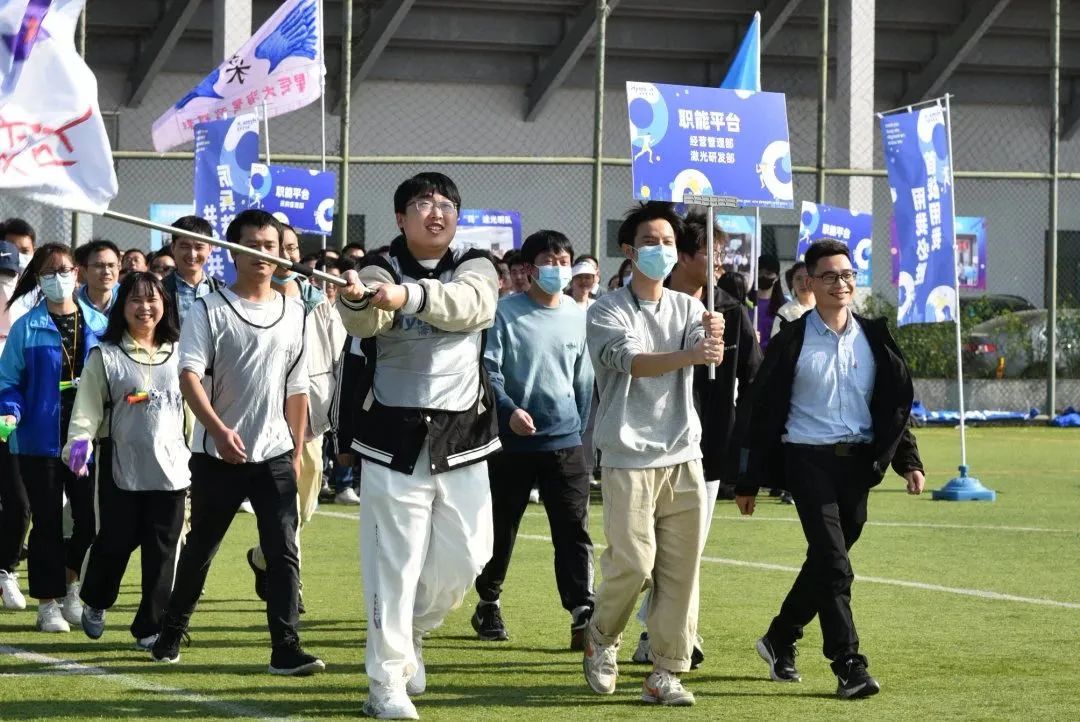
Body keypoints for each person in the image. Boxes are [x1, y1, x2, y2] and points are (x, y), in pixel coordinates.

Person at [337, 172, 500, 720]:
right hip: (394, 437)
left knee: (469, 558)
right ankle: (384, 683)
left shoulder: (476, 264)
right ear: (400, 218)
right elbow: (365, 322)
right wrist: (358, 301)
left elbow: (473, 305)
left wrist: (408, 295)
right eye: (423, 204)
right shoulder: (377, 267)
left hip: (464, 437)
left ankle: (411, 632)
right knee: (394, 565)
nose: (436, 212)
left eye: (446, 204)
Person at [735, 239, 926, 700]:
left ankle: (780, 635)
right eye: (829, 276)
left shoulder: (874, 337)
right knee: (836, 565)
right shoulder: (792, 340)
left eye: (847, 275)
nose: (840, 284)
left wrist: (908, 461)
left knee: (826, 562)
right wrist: (748, 478)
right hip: (806, 460)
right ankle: (848, 664)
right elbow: (761, 411)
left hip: (859, 464)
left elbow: (891, 405)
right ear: (810, 282)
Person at [150, 209, 323, 676]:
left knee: (283, 550)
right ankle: (171, 632)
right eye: (253, 245)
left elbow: (297, 387)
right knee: (201, 548)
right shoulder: (209, 309)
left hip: (275, 455)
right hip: (218, 457)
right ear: (232, 251)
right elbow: (189, 376)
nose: (263, 254)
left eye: (271, 246)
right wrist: (219, 430)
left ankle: (285, 647)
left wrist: (296, 448)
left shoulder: (294, 312)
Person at [582, 202, 723, 707]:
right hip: (628, 454)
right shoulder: (606, 309)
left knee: (681, 572)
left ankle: (666, 671)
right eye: (650, 241)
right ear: (628, 250)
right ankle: (601, 635)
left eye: (668, 242)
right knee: (635, 565)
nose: (660, 250)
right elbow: (631, 361)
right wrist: (693, 353)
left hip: (683, 452)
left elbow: (704, 349)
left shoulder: (689, 308)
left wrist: (712, 337)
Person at [630, 211, 763, 666]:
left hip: (705, 450)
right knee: (640, 555)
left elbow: (755, 377)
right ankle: (627, 626)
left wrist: (745, 444)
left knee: (686, 552)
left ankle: (669, 636)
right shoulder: (646, 305)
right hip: (644, 446)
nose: (720, 261)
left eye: (723, 252)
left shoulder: (731, 311)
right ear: (682, 257)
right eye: (711, 252)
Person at [471, 230, 595, 649]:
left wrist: (575, 428)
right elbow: (489, 370)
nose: (557, 269)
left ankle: (582, 610)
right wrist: (508, 410)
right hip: (511, 444)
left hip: (565, 443)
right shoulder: (504, 313)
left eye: (564, 261)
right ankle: (488, 600)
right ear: (528, 268)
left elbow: (583, 379)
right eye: (548, 260)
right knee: (501, 528)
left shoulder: (578, 315)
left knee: (573, 529)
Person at [62, 272, 189, 648]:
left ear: (164, 305)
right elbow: (85, 411)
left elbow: (195, 410)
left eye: (152, 299)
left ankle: (150, 627)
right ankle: (96, 600)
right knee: (114, 544)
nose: (144, 307)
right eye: (135, 299)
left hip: (172, 470)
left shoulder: (182, 352)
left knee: (163, 551)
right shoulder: (106, 355)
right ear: (122, 306)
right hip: (121, 468)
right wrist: (78, 449)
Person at [0, 244, 108, 632]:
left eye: (63, 270)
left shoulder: (99, 324)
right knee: (46, 522)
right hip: (39, 440)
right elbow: (8, 381)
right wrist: (9, 410)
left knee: (89, 521)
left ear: (77, 273)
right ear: (38, 279)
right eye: (48, 273)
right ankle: (47, 604)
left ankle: (70, 586)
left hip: (85, 439)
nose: (57, 278)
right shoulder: (26, 327)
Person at [246, 225, 346, 611]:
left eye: (292, 248)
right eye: (278, 248)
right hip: (265, 415)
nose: (286, 256)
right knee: (282, 503)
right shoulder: (252, 298)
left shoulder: (316, 299)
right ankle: (290, 584)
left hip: (308, 417)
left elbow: (336, 354)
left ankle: (263, 555)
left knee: (304, 503)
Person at [0, 241, 28, 611]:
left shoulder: (25, 322)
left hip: (12, 428)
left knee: (20, 505)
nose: (2, 284)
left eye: (7, 276)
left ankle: (6, 569)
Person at [165, 216, 222, 328]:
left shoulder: (221, 290)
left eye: (199, 247)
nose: (192, 254)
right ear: (173, 247)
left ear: (210, 249)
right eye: (185, 246)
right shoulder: (160, 290)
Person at [75, 239, 121, 316]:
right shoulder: (73, 303)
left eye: (111, 265)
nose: (106, 272)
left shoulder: (127, 299)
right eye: (99, 266)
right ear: (84, 271)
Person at [772, 260, 815, 336]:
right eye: (798, 279)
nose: (803, 283)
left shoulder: (826, 308)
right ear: (792, 283)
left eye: (807, 277)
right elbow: (775, 340)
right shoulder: (785, 311)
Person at [752, 254, 785, 352]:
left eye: (768, 273)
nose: (763, 276)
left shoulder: (784, 306)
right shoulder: (746, 303)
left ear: (777, 277)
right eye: (760, 272)